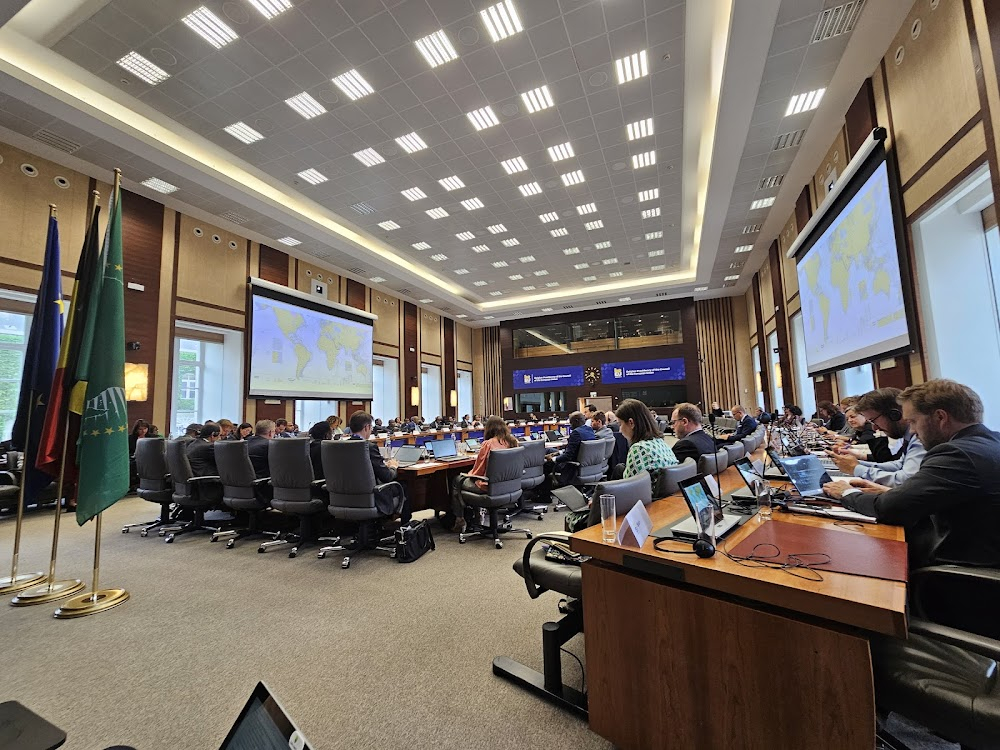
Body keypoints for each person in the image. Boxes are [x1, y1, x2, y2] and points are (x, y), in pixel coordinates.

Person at [823, 379, 1000, 568]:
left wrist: (845, 492)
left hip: (958, 572)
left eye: (913, 421)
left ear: (941, 417)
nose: (913, 430)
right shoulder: (989, 441)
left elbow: (890, 509)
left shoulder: (956, 454)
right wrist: (890, 493)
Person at [826, 387, 925, 488]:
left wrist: (857, 468)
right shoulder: (909, 436)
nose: (874, 427)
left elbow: (904, 480)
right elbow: (899, 465)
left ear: (894, 415)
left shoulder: (921, 437)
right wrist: (855, 464)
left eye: (873, 420)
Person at [448, 416, 518, 533]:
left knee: (457, 480)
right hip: (509, 486)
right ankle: (477, 515)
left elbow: (478, 471)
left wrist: (467, 474)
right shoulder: (513, 441)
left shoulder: (488, 444)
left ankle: (460, 519)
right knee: (469, 480)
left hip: (488, 487)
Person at [347, 411, 410, 523]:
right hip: (371, 495)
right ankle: (406, 529)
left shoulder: (340, 446)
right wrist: (393, 467)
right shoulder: (368, 447)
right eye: (370, 427)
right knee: (404, 485)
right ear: (366, 427)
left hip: (346, 494)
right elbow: (387, 477)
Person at [616, 398, 679, 489]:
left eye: (620, 424)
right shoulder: (661, 443)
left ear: (631, 423)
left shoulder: (639, 448)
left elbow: (629, 490)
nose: (620, 430)